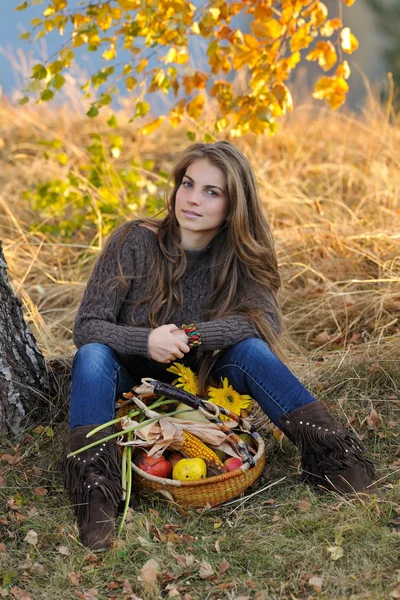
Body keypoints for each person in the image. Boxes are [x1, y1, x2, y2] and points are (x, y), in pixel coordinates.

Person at [63, 141, 375, 552]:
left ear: (234, 205)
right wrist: (147, 341)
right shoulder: (133, 242)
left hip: (205, 385)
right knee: (91, 355)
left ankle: (336, 458)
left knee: (251, 349)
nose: (192, 199)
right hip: (126, 383)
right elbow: (87, 326)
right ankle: (96, 497)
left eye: (212, 192)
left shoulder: (242, 252)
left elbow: (262, 320)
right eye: (188, 184)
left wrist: (190, 336)